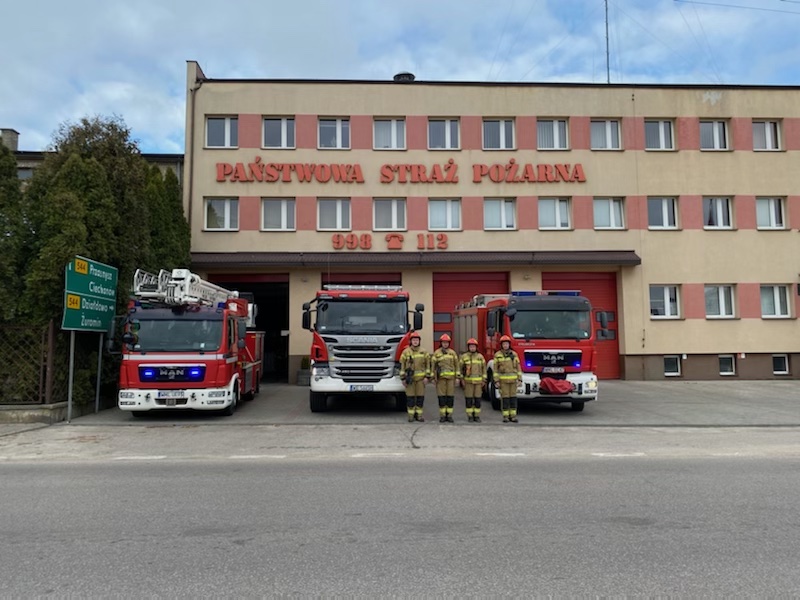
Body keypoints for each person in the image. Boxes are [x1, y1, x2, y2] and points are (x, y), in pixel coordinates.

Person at [399, 331, 431, 422]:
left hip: (421, 380)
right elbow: (402, 366)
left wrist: (427, 377)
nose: (415, 342)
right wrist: (403, 378)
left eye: (417, 340)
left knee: (420, 398)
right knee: (410, 398)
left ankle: (419, 416)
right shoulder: (406, 352)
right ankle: (411, 416)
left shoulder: (424, 352)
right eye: (414, 340)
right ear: (411, 341)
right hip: (410, 380)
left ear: (419, 341)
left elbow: (428, 366)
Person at [493, 334, 522, 423]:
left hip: (513, 381)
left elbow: (518, 368)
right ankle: (505, 416)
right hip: (503, 382)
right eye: (504, 344)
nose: (505, 345)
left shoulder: (514, 354)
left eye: (507, 344)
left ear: (509, 344)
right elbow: (495, 369)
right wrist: (496, 381)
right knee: (505, 399)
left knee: (513, 398)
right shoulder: (497, 355)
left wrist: (520, 379)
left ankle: (513, 416)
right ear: (501, 345)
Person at [431, 334, 459, 423]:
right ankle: (442, 416)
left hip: (451, 379)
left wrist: (457, 378)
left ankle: (449, 416)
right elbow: (433, 366)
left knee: (450, 397)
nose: (445, 344)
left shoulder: (453, 353)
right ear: (441, 343)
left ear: (449, 343)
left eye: (447, 342)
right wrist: (433, 378)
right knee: (441, 397)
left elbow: (457, 366)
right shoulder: (436, 353)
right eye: (444, 342)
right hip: (440, 379)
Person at [459, 338, 487, 423]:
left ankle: (477, 416)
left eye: (473, 346)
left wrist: (484, 380)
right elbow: (460, 369)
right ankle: (470, 416)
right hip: (468, 382)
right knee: (469, 400)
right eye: (470, 346)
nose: (472, 348)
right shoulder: (464, 357)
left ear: (476, 347)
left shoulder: (480, 357)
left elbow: (484, 369)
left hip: (478, 383)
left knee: (478, 400)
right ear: (468, 347)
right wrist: (461, 379)